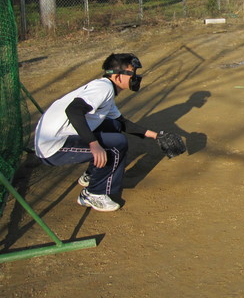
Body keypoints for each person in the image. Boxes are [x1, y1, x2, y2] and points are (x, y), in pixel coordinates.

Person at [34, 53, 160, 212]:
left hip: (57, 137)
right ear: (118, 76)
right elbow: (73, 110)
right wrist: (94, 144)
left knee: (113, 125)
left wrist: (156, 136)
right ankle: (94, 193)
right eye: (132, 73)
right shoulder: (103, 89)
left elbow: (122, 123)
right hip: (52, 147)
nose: (135, 77)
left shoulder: (105, 89)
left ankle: (91, 175)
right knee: (117, 145)